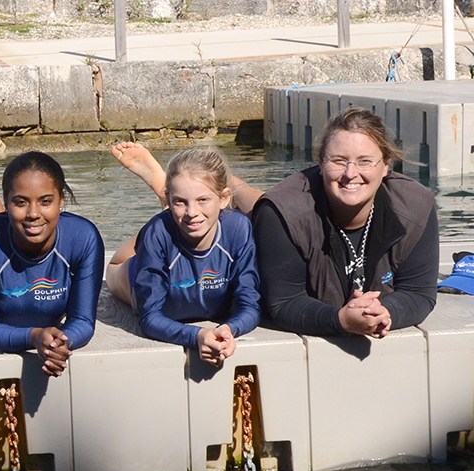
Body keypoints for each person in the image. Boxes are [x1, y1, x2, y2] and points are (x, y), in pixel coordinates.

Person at [252, 107, 438, 337]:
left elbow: (418, 292)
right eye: (338, 161)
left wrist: (383, 313)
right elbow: (284, 301)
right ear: (320, 164)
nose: (350, 173)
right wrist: (339, 320)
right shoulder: (281, 213)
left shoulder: (416, 206)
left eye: (365, 161)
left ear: (386, 165)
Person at [0, 119, 104, 378]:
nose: (34, 212)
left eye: (46, 201)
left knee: (16, 227)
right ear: (6, 203)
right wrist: (34, 336)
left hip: (3, 241)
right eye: (19, 202)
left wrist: (58, 343)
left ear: (61, 201)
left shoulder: (83, 238)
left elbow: (83, 321)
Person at [104, 146, 260, 365]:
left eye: (203, 200)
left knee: (184, 223)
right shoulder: (157, 233)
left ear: (224, 198)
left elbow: (250, 305)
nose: (192, 211)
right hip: (135, 272)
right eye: (180, 202)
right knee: (117, 266)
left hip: (179, 242)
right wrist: (196, 336)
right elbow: (150, 318)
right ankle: (167, 208)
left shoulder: (239, 229)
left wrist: (229, 329)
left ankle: (172, 200)